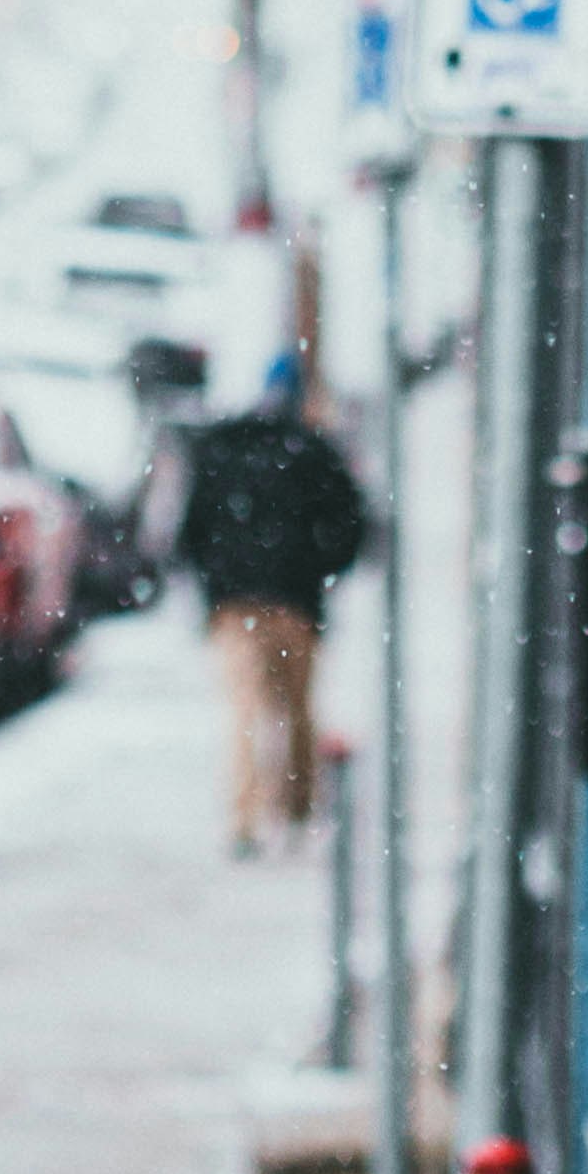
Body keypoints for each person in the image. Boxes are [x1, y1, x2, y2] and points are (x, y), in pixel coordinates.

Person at [174, 355, 369, 855]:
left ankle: (245, 821)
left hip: (235, 606)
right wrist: (321, 571)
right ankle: (297, 811)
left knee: (244, 712)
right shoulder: (311, 451)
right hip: (294, 600)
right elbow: (353, 524)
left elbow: (190, 531)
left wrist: (215, 582)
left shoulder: (221, 449)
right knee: (297, 708)